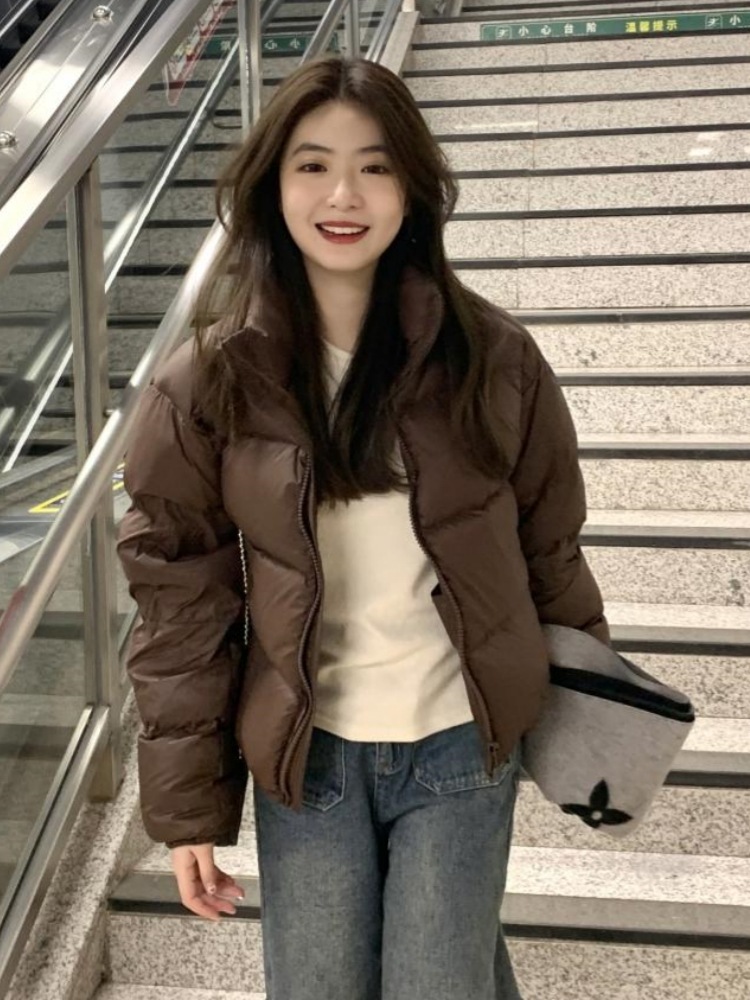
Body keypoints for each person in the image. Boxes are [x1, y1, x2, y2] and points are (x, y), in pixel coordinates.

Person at [117, 56, 608, 1000]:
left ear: (412, 187)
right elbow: (179, 597)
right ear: (272, 185)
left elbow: (550, 547)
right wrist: (187, 810)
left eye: (374, 166)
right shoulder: (209, 380)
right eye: (313, 164)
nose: (343, 195)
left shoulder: (493, 358)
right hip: (310, 756)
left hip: (459, 740)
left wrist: (587, 725)